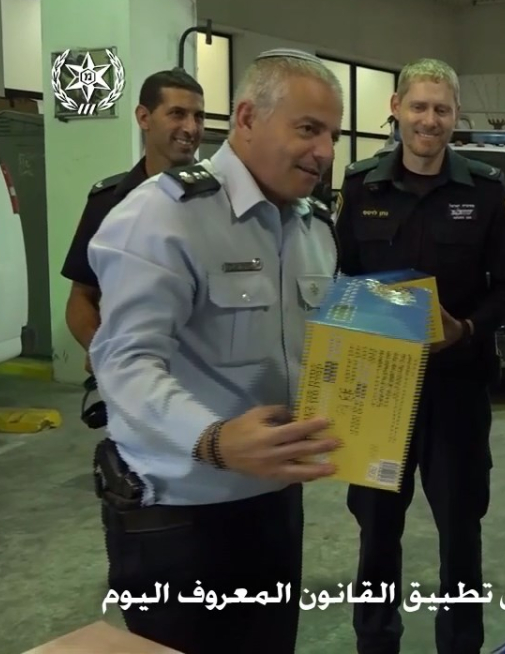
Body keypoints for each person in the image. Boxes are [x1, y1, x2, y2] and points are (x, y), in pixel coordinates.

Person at [85, 48, 345, 654]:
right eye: (308, 129)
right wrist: (212, 439)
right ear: (248, 118)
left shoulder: (313, 229)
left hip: (274, 505)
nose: (325, 152)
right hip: (180, 517)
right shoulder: (163, 215)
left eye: (332, 135)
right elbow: (122, 360)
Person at [333, 57, 505, 654]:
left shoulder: (485, 191)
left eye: (441, 109)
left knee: (460, 533)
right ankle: (375, 643)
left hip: (455, 390)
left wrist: (466, 327)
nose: (429, 120)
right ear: (396, 108)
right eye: (418, 106)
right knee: (376, 533)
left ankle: (461, 645)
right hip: (376, 393)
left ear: (455, 115)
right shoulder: (360, 186)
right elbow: (336, 275)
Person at [62, 68, 206, 366]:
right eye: (177, 114)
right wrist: (101, 349)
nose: (191, 128)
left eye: (199, 117)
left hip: (203, 373)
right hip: (133, 373)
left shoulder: (220, 199)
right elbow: (81, 296)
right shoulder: (109, 202)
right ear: (144, 118)